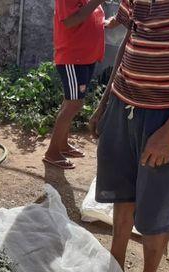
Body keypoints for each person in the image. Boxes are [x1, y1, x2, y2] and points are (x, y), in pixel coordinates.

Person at [89, 0, 169, 272]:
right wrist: (105, 103)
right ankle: (116, 267)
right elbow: (130, 37)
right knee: (122, 194)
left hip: (164, 118)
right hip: (122, 103)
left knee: (154, 210)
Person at [43, 0, 106, 169]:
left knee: (70, 101)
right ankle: (52, 153)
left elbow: (89, 19)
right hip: (73, 57)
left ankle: (62, 146)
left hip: (85, 57)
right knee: (74, 104)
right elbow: (69, 21)